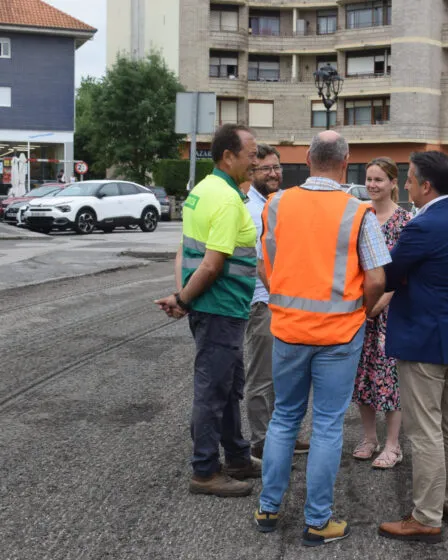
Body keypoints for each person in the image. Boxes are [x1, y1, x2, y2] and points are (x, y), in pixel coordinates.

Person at [253, 131, 391, 547]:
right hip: (339, 335)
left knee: (284, 418)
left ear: (308, 159)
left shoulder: (277, 204)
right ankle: (317, 521)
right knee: (328, 425)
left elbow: (264, 265)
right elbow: (377, 278)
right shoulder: (359, 212)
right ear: (345, 162)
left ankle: (268, 508)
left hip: (288, 331)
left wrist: (284, 301)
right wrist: (363, 311)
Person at [378, 151, 448, 544]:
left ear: (426, 186)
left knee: (424, 430)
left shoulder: (422, 225)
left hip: (424, 339)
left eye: (408, 178)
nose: (405, 185)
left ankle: (425, 517)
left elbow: (390, 274)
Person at [154, 123, 261, 497]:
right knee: (213, 391)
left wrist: (183, 296)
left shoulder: (201, 191)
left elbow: (184, 251)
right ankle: (205, 471)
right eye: (251, 155)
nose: (255, 161)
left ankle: (237, 457)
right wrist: (184, 300)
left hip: (213, 307)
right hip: (221, 308)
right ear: (228, 156)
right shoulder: (228, 200)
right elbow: (213, 264)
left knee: (228, 387)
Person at [244, 144, 310, 459]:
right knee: (262, 377)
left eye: (276, 167)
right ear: (251, 173)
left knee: (284, 375)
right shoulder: (252, 210)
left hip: (283, 302)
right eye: (265, 169)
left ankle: (282, 437)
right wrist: (280, 298)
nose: (273, 174)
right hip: (265, 303)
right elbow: (260, 265)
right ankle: (261, 443)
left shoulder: (279, 202)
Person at [352, 157, 412, 469]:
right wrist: (364, 307)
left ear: (392, 183)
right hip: (361, 308)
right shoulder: (360, 215)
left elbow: (402, 273)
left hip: (389, 311)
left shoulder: (404, 221)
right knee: (362, 376)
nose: (372, 185)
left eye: (379, 179)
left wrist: (378, 305)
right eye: (369, 179)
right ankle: (368, 438)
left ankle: (392, 444)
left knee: (390, 378)